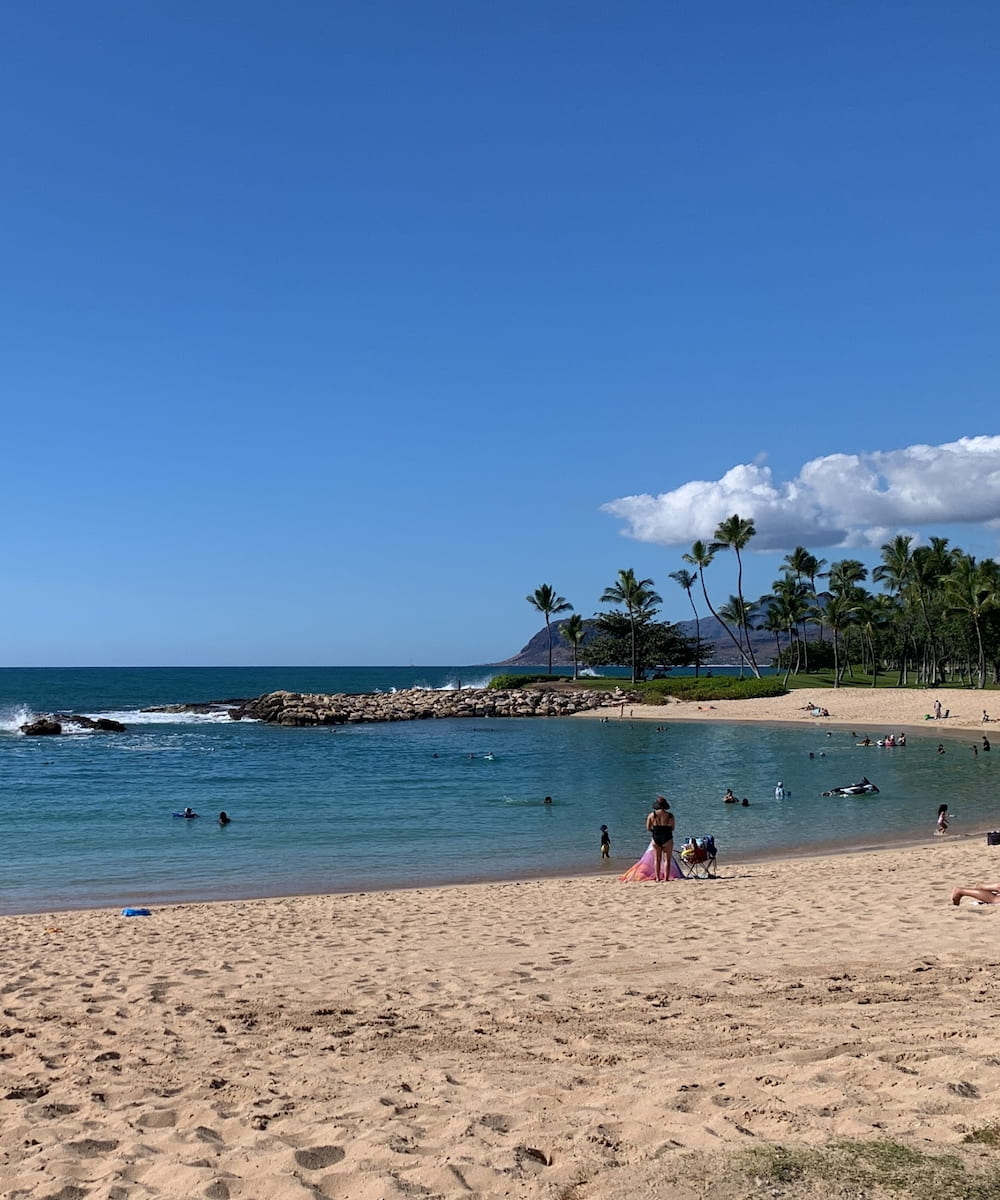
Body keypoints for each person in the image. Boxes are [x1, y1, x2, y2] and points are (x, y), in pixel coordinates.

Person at [645, 796, 675, 882]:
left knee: (657, 859)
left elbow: (648, 828)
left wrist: (654, 831)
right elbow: (672, 828)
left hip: (656, 837)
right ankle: (666, 878)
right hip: (667, 838)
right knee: (667, 860)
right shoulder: (670, 816)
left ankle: (658, 878)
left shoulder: (651, 815)